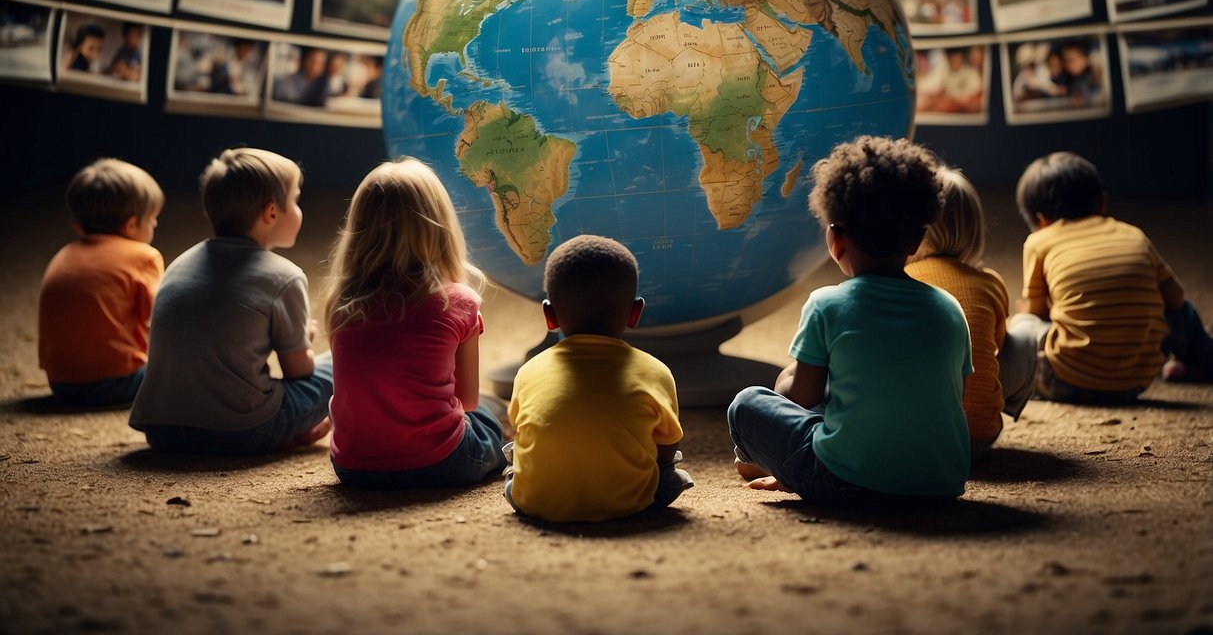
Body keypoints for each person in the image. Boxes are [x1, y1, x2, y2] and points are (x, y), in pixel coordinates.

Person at [728, 135, 972, 504]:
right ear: (917, 239)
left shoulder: (827, 303)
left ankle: (767, 463)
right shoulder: (950, 308)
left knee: (747, 404)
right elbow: (948, 398)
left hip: (841, 482)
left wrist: (786, 379)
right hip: (939, 482)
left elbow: (802, 397)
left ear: (835, 240)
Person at [129, 148, 334, 454]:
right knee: (337, 362)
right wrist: (301, 341)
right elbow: (298, 371)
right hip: (235, 432)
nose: (300, 208)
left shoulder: (178, 265)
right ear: (272, 213)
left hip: (162, 430)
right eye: (295, 200)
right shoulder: (285, 277)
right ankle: (277, 434)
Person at [325, 158, 508, 488]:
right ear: (440, 228)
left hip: (353, 465)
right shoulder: (459, 301)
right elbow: (466, 400)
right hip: (440, 461)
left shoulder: (340, 304)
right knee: (488, 419)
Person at [505, 234, 693, 522]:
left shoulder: (529, 371)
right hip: (631, 503)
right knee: (671, 471)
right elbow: (666, 450)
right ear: (635, 313)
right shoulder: (656, 371)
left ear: (549, 315)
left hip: (535, 502)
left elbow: (519, 428)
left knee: (514, 456)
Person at [1005, 152, 1213, 401]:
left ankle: (1006, 383)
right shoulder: (1133, 235)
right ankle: (1203, 363)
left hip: (1064, 381)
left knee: (1022, 324)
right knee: (1184, 314)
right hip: (1137, 379)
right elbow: (1177, 299)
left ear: (1041, 220)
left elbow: (1037, 312)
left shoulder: (1038, 242)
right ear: (1101, 203)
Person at [906, 166, 1035, 458]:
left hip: (914, 435)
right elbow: (998, 345)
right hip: (979, 436)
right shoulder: (990, 282)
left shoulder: (900, 277)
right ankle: (996, 402)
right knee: (1025, 332)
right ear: (974, 229)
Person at [38, 159, 164, 406]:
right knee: (190, 372)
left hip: (61, 383)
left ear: (78, 225)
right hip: (118, 381)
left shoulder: (62, 256)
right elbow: (161, 318)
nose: (156, 224)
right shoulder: (143, 256)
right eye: (152, 219)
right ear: (130, 225)